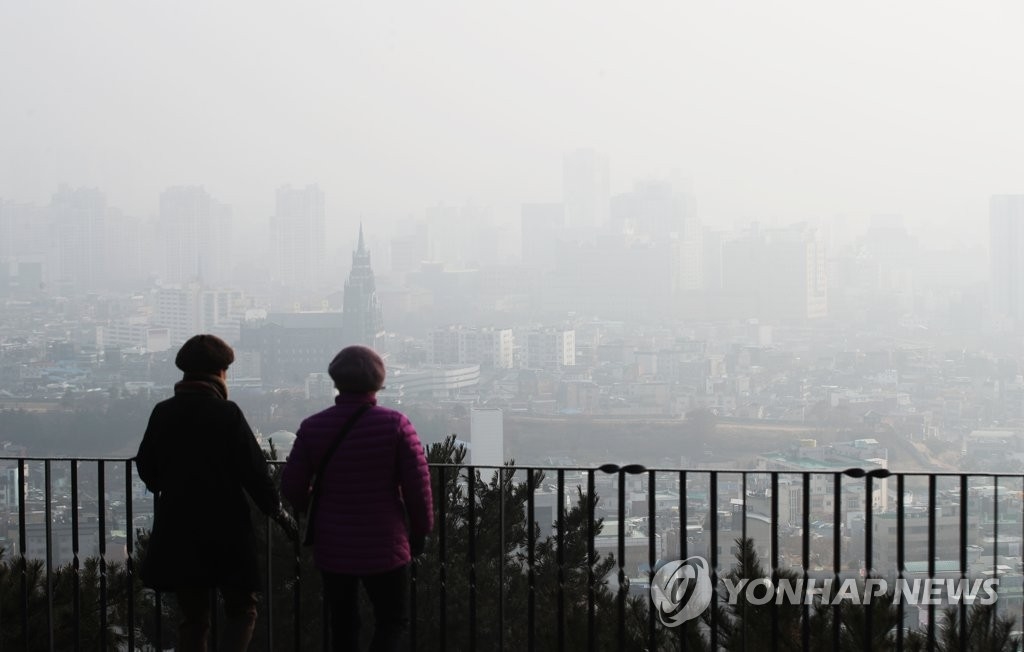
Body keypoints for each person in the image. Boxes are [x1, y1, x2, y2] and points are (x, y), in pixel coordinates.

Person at [136, 334, 297, 652]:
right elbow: (255, 471)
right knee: (242, 609)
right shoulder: (227, 414)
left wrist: (168, 485)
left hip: (179, 525)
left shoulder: (163, 412)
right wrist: (276, 510)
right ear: (220, 372)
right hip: (226, 529)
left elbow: (147, 467)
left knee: (193, 618)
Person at [282, 345, 433, 652]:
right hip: (385, 541)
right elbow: (418, 488)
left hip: (333, 543)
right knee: (392, 620)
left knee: (343, 624)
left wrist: (314, 504)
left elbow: (292, 485)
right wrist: (420, 531)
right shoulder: (396, 425)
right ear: (377, 383)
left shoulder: (313, 428)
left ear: (336, 381)